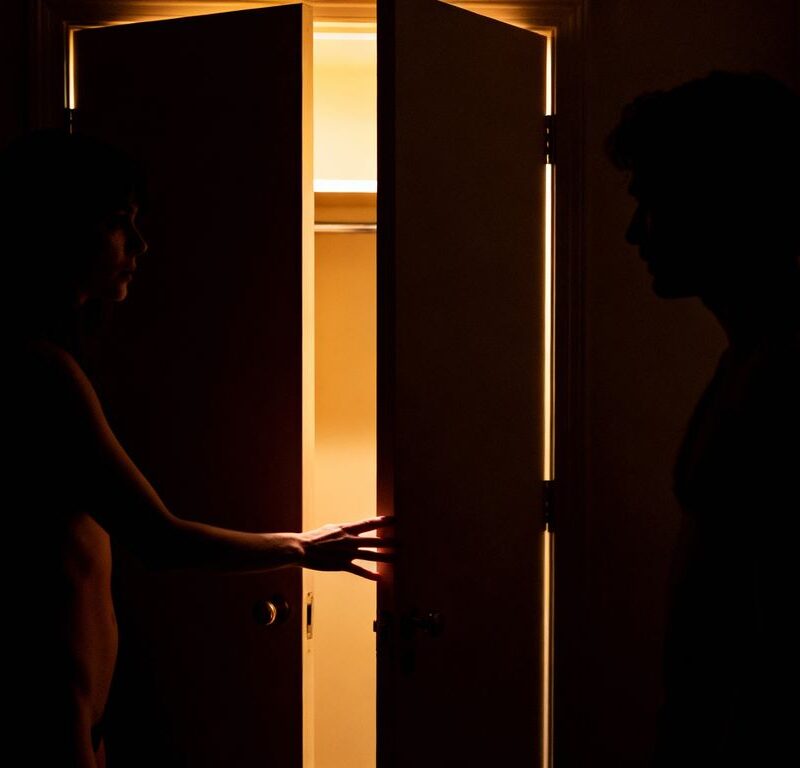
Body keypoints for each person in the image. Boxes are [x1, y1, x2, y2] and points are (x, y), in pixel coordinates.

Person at [1, 129, 393, 768]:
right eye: (117, 224)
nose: (141, 245)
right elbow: (157, 537)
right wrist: (298, 547)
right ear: (59, 231)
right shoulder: (40, 372)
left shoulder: (51, 364)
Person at [607, 71, 799, 767]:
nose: (634, 232)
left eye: (650, 202)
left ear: (719, 198)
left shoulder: (788, 377)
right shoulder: (748, 359)